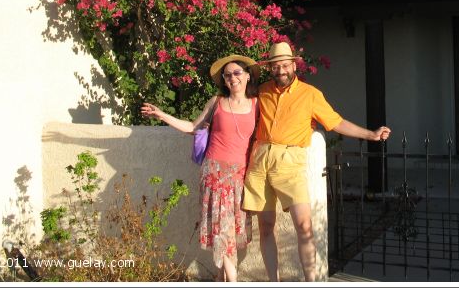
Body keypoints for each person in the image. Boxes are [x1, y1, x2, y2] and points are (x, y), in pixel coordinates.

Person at [242, 42, 391, 282]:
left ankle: (311, 282)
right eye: (275, 66)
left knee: (304, 226)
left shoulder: (310, 95)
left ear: (294, 65)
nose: (280, 70)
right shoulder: (262, 90)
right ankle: (273, 282)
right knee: (266, 227)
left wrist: (370, 134)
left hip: (291, 161)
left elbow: (336, 122)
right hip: (260, 161)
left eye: (284, 65)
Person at [141, 54, 260, 282]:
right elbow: (192, 127)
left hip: (239, 176)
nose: (232, 78)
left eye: (236, 73)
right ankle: (232, 280)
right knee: (222, 228)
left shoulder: (257, 105)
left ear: (247, 76)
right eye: (227, 75)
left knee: (231, 231)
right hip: (214, 173)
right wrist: (161, 114)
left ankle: (219, 277)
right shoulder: (216, 102)